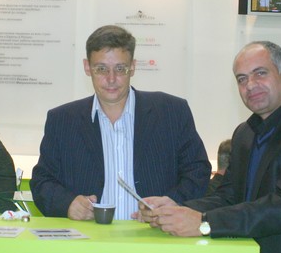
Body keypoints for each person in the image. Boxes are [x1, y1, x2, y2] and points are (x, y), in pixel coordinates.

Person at [136, 41, 281, 253]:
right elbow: (229, 197)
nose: (250, 85)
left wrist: (204, 222)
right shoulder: (245, 133)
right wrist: (176, 208)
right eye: (242, 79)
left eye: (260, 73)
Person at [30, 25, 211, 221]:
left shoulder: (171, 112)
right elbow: (42, 181)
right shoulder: (62, 120)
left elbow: (198, 170)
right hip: (88, 237)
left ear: (132, 67)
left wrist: (173, 202)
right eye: (101, 69)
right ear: (87, 67)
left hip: (156, 234)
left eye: (120, 68)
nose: (111, 79)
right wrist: (67, 204)